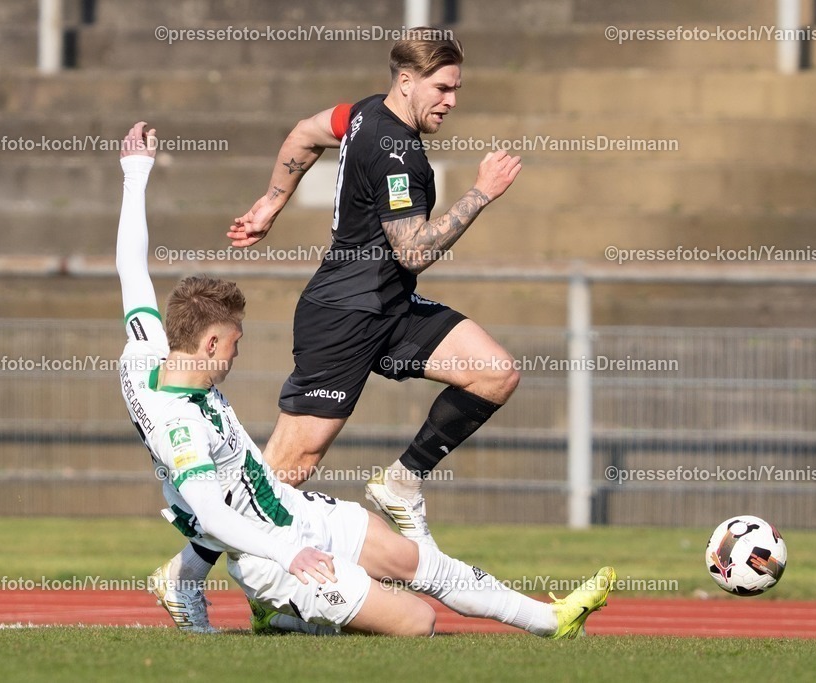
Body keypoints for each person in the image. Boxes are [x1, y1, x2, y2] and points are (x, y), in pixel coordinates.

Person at [116, 121, 614, 637]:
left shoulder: (146, 352)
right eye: (236, 340)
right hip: (272, 554)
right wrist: (291, 553)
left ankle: (551, 620)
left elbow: (132, 269)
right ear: (211, 344)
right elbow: (212, 517)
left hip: (294, 510)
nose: (239, 351)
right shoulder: (180, 425)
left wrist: (136, 173)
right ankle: (290, 614)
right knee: (416, 622)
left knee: (415, 561)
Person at [225, 28, 522, 551]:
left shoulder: (360, 113)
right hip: (343, 315)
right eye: (442, 89)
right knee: (291, 468)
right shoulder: (397, 154)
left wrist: (271, 202)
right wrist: (482, 193)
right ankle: (190, 567)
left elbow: (304, 132)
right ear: (407, 82)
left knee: (495, 372)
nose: (451, 102)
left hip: (390, 306)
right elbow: (414, 251)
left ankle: (402, 482)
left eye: (456, 90)